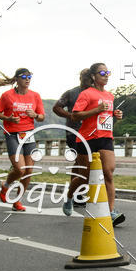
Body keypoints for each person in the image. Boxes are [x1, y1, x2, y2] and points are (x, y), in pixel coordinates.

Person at [70, 63, 125, 226]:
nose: (106, 75)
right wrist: (97, 110)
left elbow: (105, 116)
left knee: (108, 172)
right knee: (85, 177)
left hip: (105, 138)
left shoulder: (110, 95)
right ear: (94, 76)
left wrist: (116, 115)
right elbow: (75, 116)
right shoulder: (86, 94)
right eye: (102, 73)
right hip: (87, 139)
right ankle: (68, 197)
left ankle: (110, 212)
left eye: (108, 72)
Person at [0, 69, 45, 211]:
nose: (28, 79)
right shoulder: (7, 96)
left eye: (30, 77)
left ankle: (17, 200)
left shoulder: (35, 96)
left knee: (28, 171)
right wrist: (8, 118)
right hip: (12, 134)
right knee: (19, 169)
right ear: (17, 79)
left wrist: (35, 115)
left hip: (28, 135)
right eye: (24, 77)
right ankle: (6, 185)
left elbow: (42, 117)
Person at [53, 68, 92, 216]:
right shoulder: (71, 93)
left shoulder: (94, 93)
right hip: (73, 132)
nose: (86, 80)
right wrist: (70, 115)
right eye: (84, 77)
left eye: (89, 78)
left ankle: (76, 193)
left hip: (90, 133)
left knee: (80, 164)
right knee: (81, 163)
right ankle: (76, 194)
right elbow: (56, 107)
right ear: (80, 78)